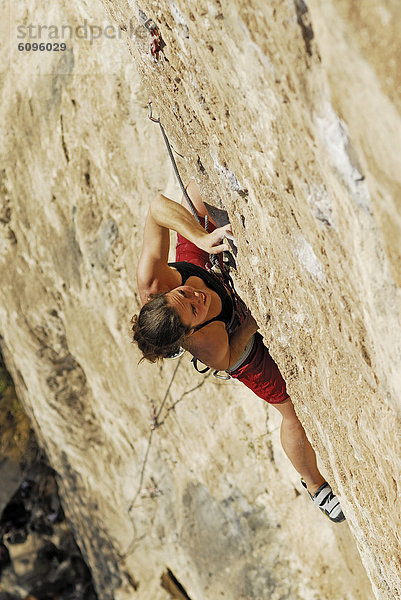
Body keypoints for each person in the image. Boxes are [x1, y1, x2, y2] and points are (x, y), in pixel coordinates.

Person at [132, 180, 345, 523]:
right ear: (191, 330)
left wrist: (201, 239)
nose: (194, 297)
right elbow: (236, 348)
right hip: (237, 338)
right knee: (291, 411)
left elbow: (157, 208)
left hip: (201, 266)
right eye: (193, 309)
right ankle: (315, 486)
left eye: (184, 295)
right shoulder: (210, 345)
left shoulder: (156, 282)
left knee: (194, 196)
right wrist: (255, 306)